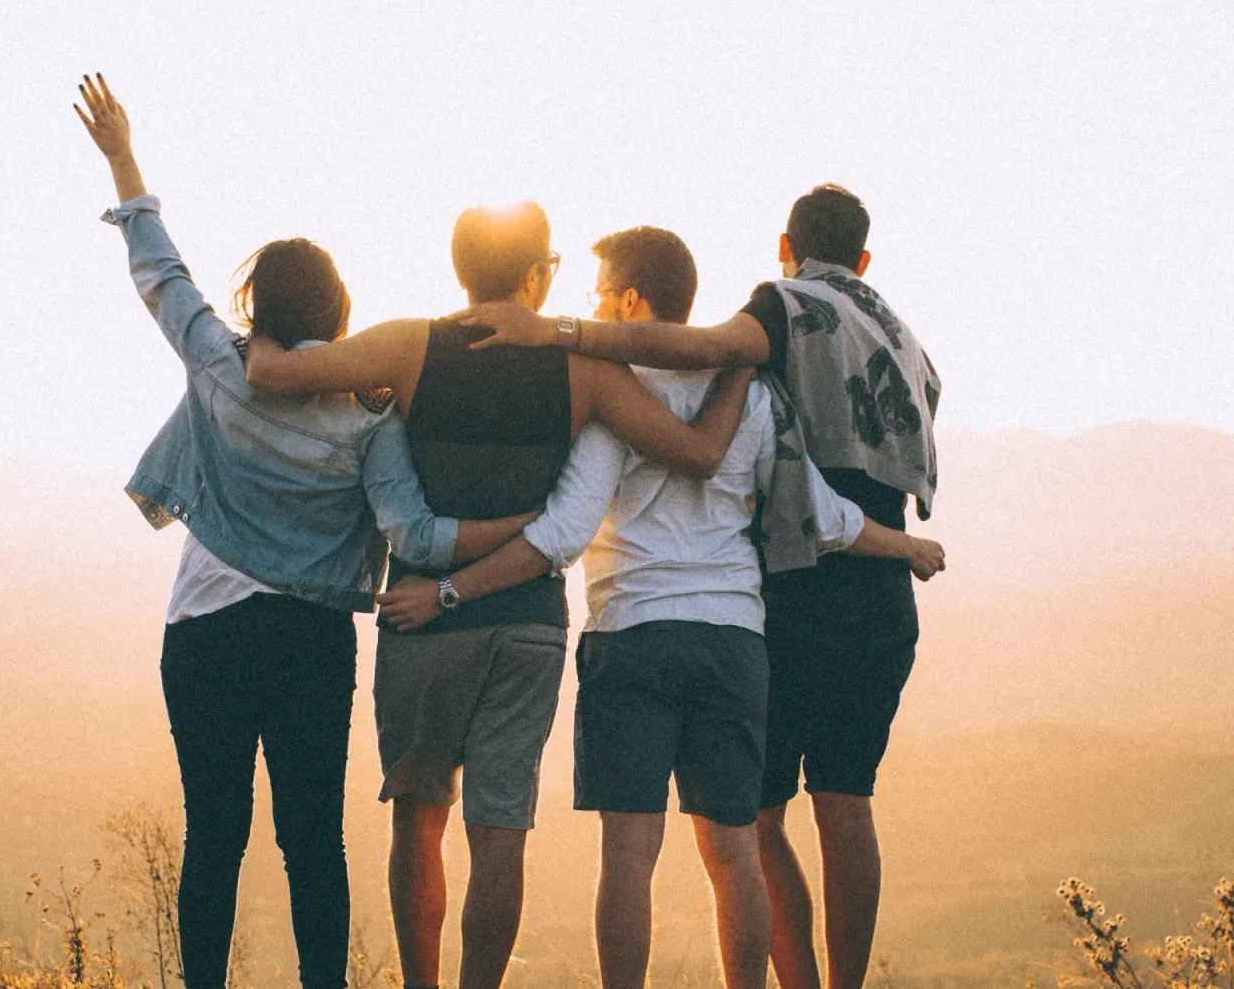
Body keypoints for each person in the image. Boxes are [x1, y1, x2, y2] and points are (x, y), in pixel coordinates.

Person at [377, 226, 944, 989]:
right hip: (735, 642)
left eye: (602, 292)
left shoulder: (615, 393)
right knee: (734, 848)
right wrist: (905, 547)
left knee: (629, 854)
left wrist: (450, 589)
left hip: (633, 637)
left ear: (633, 301)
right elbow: (823, 513)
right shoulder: (749, 394)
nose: (595, 305)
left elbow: (563, 533)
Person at [75, 75, 537, 989]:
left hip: (203, 631)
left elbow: (161, 275)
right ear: (337, 312)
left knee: (213, 835)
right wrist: (532, 523)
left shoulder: (219, 364)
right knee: (311, 844)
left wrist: (124, 157)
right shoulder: (368, 421)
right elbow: (420, 534)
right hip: (310, 644)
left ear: (258, 307)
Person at [242, 207, 753, 989]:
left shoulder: (410, 344)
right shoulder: (584, 373)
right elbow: (698, 454)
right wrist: (743, 364)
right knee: (500, 832)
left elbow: (272, 376)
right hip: (528, 626)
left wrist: (261, 331)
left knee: (418, 824)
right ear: (538, 274)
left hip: (421, 619)